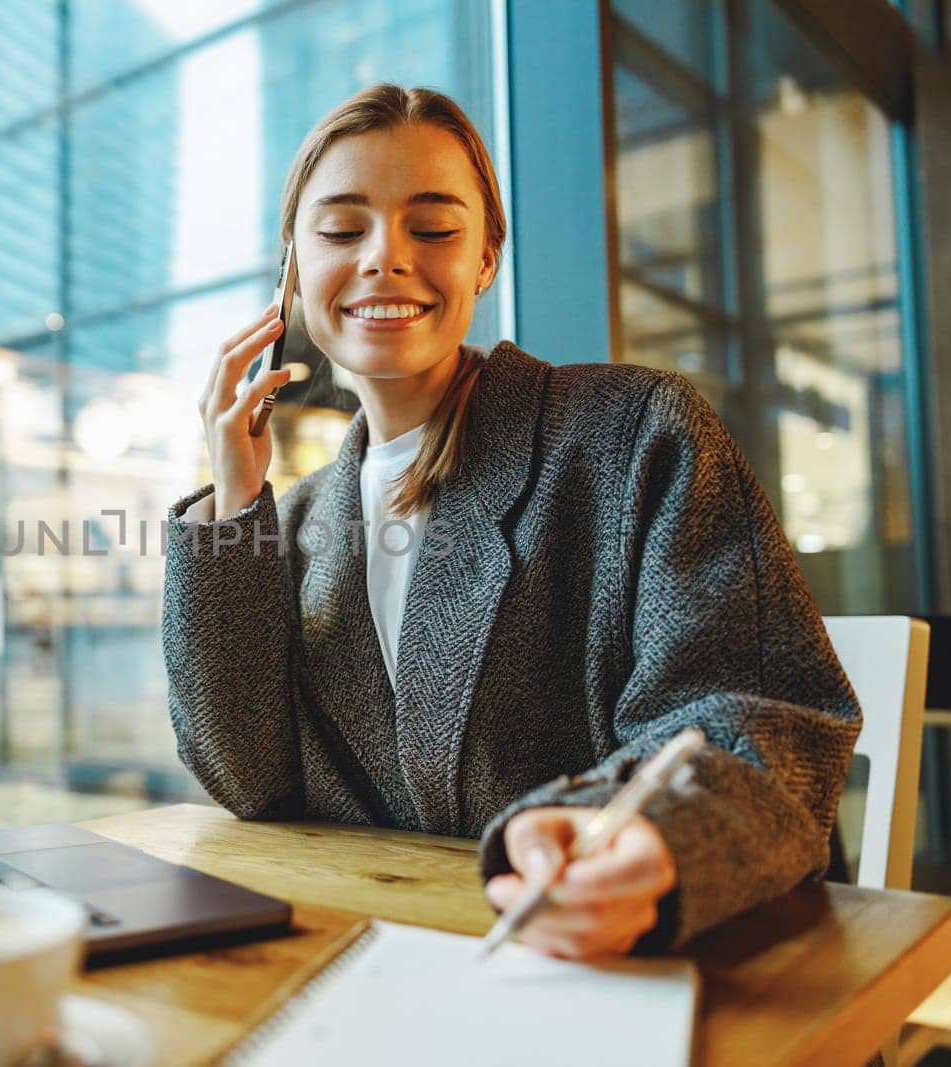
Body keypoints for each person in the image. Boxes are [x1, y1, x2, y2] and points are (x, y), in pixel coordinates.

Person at [161, 83, 860, 960]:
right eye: (342, 230)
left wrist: (652, 844)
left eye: (434, 228)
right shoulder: (295, 520)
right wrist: (232, 505)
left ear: (487, 257)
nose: (384, 257)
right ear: (293, 275)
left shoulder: (635, 431)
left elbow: (759, 714)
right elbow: (251, 779)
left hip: (645, 965)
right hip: (396, 959)